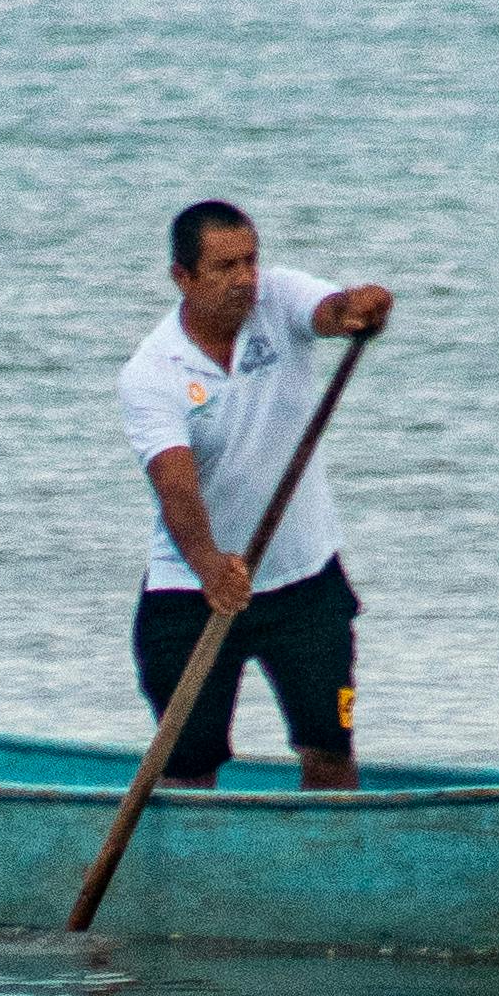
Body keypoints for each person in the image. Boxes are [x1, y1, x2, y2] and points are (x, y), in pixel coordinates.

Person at [117, 202, 395, 793]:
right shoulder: (151, 371)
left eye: (250, 260)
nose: (245, 278)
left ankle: (332, 869)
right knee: (188, 769)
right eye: (224, 267)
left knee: (329, 747)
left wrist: (356, 309)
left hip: (305, 583)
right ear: (183, 278)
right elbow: (175, 483)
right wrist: (211, 565)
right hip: (193, 591)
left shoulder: (279, 297)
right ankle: (192, 879)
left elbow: (329, 310)